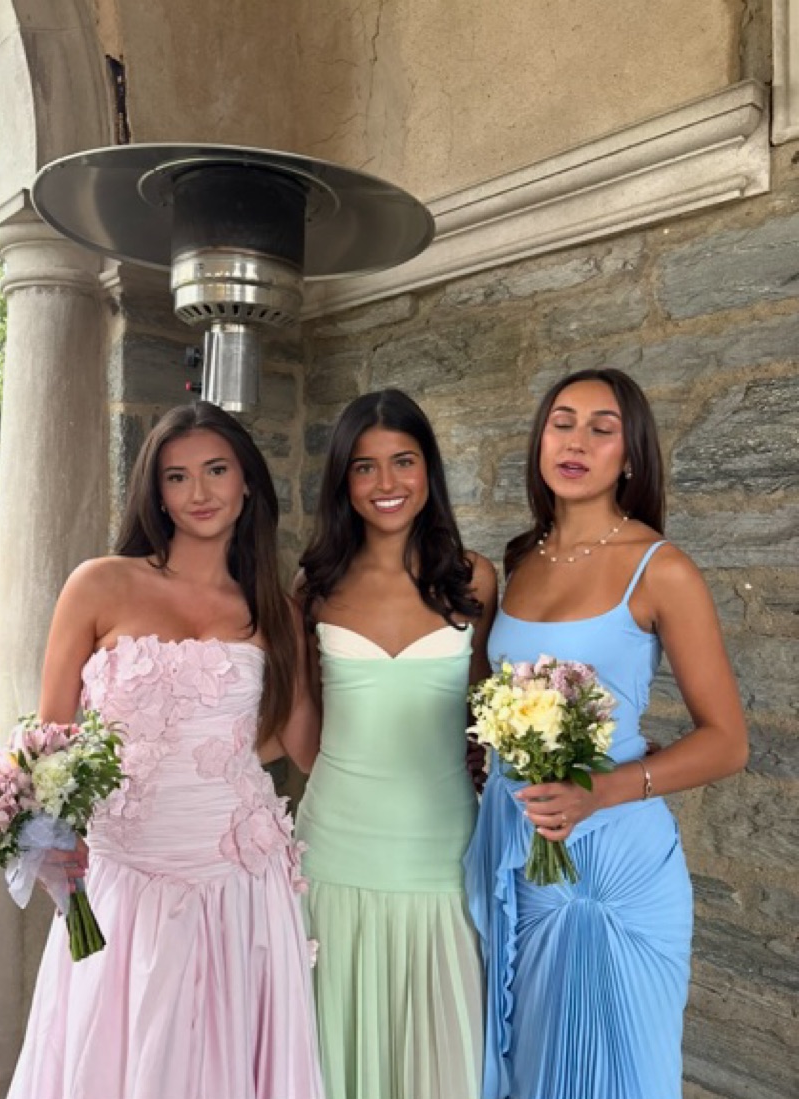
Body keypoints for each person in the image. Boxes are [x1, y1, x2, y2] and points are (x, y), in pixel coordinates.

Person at [7, 401, 324, 1099]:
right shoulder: (100, 583)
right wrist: (45, 833)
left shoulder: (276, 610)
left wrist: (332, 618)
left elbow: (289, 742)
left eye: (217, 471)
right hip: (125, 877)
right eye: (177, 477)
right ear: (156, 492)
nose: (199, 492)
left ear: (248, 482)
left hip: (239, 879)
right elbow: (50, 737)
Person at [464, 368, 749, 1099]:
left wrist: (603, 788)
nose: (577, 442)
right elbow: (492, 691)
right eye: (562, 423)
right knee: (529, 1064)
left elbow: (727, 740)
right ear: (540, 442)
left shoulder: (662, 569)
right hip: (521, 850)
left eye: (602, 428)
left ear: (630, 455)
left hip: (615, 858)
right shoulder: (521, 560)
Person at [294, 388, 498, 1099]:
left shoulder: (473, 578)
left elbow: (485, 707)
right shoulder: (314, 586)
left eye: (403, 461)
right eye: (365, 466)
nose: (386, 483)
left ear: (428, 469)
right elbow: (303, 728)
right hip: (333, 849)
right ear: (343, 481)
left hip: (440, 851)